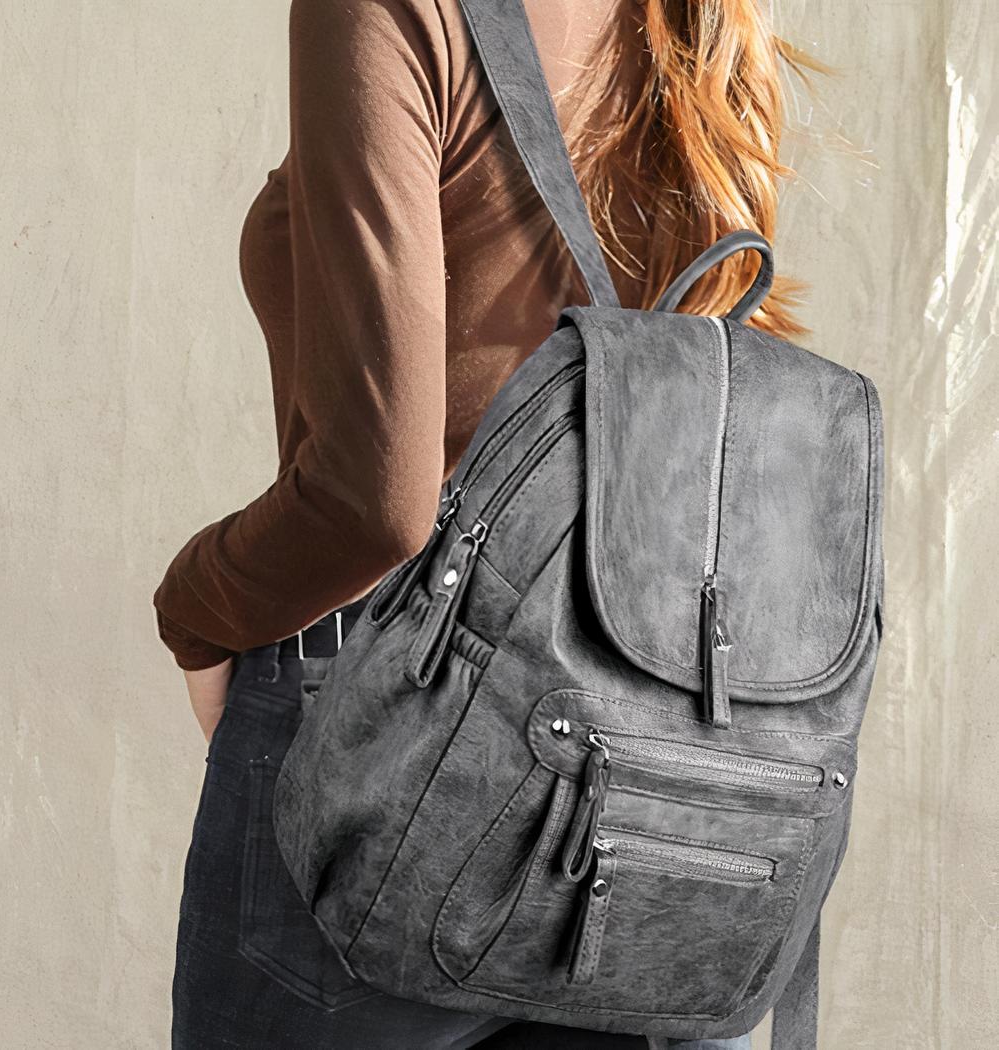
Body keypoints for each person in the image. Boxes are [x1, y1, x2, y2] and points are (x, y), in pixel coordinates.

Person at [154, 0, 818, 1046]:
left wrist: (197, 609)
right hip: (657, 757)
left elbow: (373, 504)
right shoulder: (704, 20)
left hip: (385, 713)